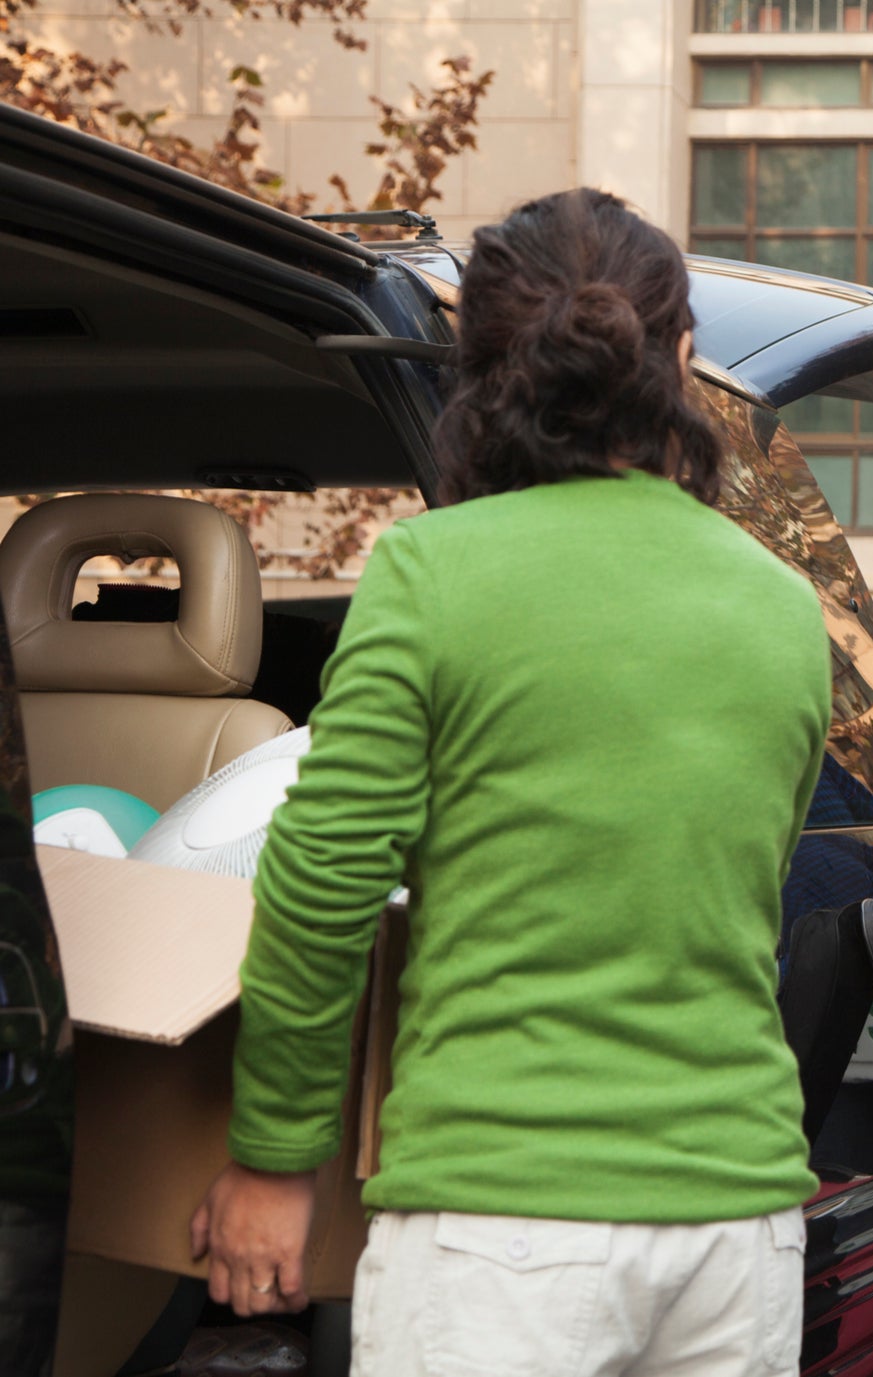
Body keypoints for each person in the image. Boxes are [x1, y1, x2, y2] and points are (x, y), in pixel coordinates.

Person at [188, 189, 832, 1376]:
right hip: (739, 1226)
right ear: (684, 358)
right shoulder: (786, 608)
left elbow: (324, 887)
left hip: (503, 1223)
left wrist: (274, 1158)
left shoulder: (434, 573)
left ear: (479, 369)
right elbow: (738, 884)